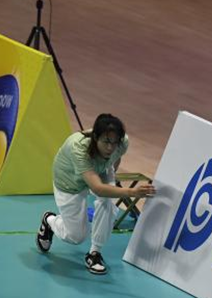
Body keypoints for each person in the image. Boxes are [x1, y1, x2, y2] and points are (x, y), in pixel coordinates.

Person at [36, 113, 155, 274]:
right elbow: (97, 188)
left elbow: (116, 157)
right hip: (69, 180)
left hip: (99, 169)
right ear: (95, 138)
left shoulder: (122, 142)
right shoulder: (78, 148)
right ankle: (49, 220)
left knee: (108, 202)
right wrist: (132, 192)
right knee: (76, 236)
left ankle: (95, 253)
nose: (110, 148)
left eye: (114, 143)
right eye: (106, 142)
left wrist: (110, 174)